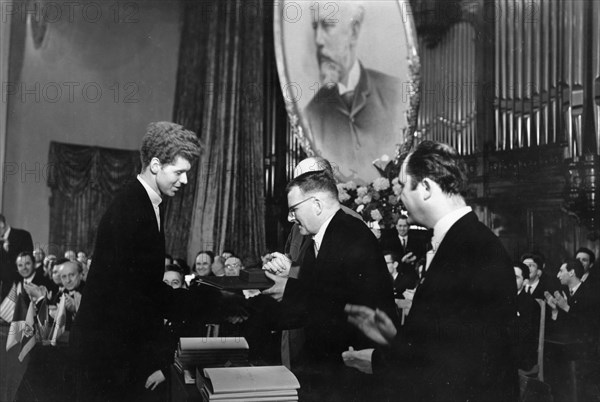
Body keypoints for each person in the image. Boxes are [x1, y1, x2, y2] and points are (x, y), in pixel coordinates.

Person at [344, 141, 518, 402]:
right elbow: (443, 337)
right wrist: (393, 337)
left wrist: (379, 361)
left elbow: (456, 362)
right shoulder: (465, 239)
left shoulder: (472, 250)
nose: (399, 194)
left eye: (403, 185)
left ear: (425, 188)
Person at [72, 122, 216, 401]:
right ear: (154, 165)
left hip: (112, 349)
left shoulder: (146, 202)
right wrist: (204, 302)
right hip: (106, 356)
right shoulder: (131, 210)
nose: (184, 181)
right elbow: (139, 296)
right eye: (179, 172)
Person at [262, 170, 397, 401]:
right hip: (331, 365)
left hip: (351, 370)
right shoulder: (325, 235)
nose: (290, 218)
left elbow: (346, 306)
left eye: (293, 209)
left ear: (316, 204)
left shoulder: (352, 236)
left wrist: (289, 290)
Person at [304, 2, 405, 182]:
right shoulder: (313, 113)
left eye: (327, 25)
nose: (318, 40)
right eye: (315, 27)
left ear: (354, 30)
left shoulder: (394, 93)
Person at [0, 214, 34, 299]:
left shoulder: (23, 236)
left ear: (1, 224)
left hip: (22, 287)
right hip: (4, 290)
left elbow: (27, 261)